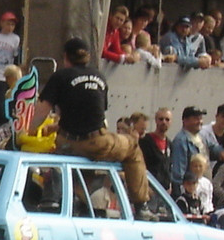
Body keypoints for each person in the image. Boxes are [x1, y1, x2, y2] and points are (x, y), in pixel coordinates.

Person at [29, 38, 149, 206]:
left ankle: (71, 199)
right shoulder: (99, 76)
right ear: (88, 57)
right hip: (95, 143)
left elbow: (41, 111)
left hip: (67, 144)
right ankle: (141, 205)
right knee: (133, 148)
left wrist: (29, 131)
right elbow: (94, 118)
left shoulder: (60, 76)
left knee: (69, 152)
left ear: (65, 56)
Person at [169, 106, 207, 187]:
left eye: (201, 118)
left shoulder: (200, 137)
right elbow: (178, 174)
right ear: (185, 121)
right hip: (189, 190)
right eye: (196, 118)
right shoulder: (181, 141)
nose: (199, 121)